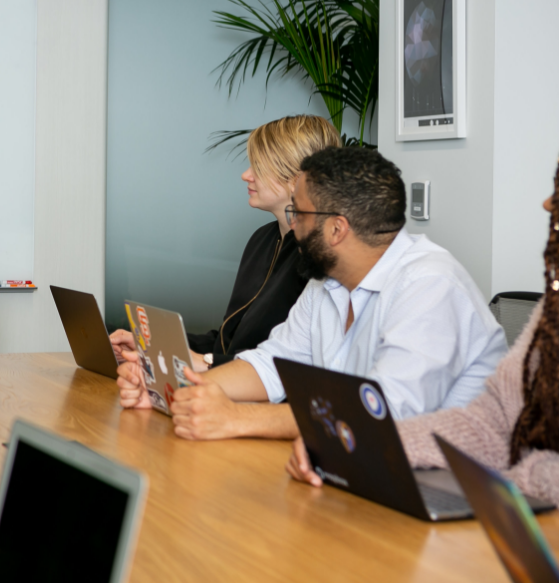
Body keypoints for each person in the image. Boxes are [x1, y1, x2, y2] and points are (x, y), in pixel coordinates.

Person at [117, 147, 508, 440]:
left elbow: (382, 413)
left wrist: (238, 419)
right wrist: (170, 389)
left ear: (337, 229)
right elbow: (272, 365)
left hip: (452, 496)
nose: (293, 227)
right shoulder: (328, 282)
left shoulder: (430, 286)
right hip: (365, 470)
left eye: (299, 215)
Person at [288, 160, 559, 506]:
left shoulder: (430, 280)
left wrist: (520, 483)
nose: (547, 204)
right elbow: (493, 422)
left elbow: (390, 407)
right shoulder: (551, 312)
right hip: (489, 498)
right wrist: (348, 441)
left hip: (517, 504)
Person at [109, 115, 338, 371]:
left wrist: (204, 363)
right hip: (229, 381)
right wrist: (149, 343)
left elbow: (288, 366)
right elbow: (225, 343)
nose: (246, 175)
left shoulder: (321, 258)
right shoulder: (262, 240)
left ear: (296, 177)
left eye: (259, 167)